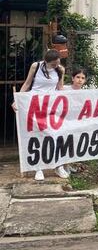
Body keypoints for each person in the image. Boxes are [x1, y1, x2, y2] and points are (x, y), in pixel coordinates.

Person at [13, 49, 67, 181]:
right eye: (54, 64)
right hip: (35, 105)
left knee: (55, 135)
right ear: (46, 61)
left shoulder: (60, 70)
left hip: (52, 106)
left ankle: (58, 165)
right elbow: (27, 83)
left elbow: (60, 88)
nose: (56, 65)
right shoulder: (36, 66)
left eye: (58, 62)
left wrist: (67, 102)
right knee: (38, 136)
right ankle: (39, 168)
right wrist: (17, 100)